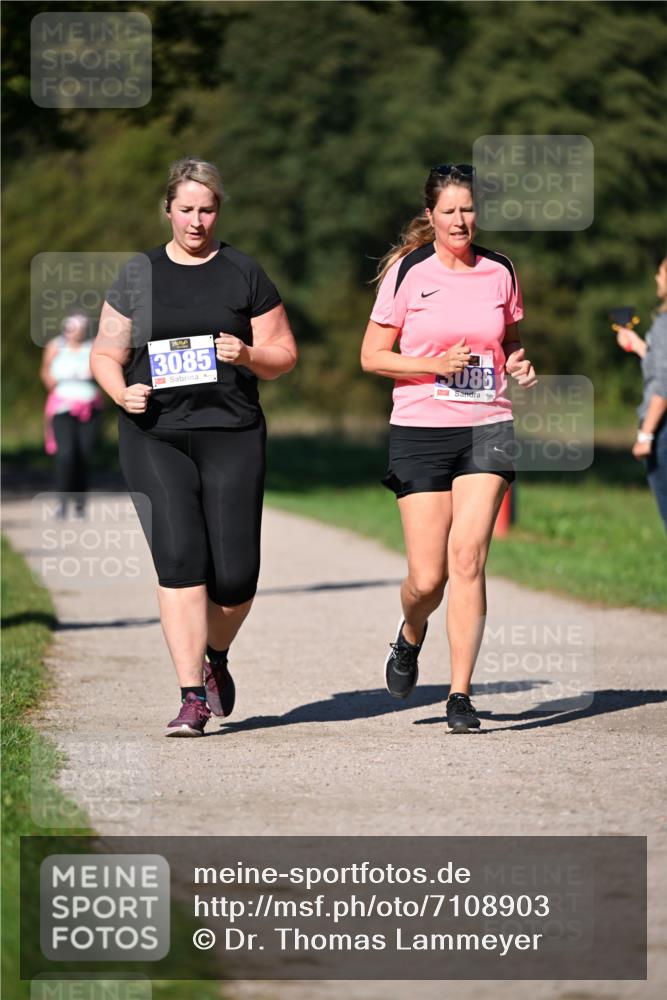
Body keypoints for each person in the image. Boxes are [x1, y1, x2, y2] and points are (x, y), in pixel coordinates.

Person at [91, 157, 297, 737]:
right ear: (168, 210)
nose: (196, 220)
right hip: (155, 433)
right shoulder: (140, 274)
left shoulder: (243, 273)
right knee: (181, 561)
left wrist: (249, 355)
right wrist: (121, 392)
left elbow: (283, 354)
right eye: (186, 209)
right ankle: (190, 696)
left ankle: (216, 658)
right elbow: (105, 354)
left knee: (235, 579)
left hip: (231, 433)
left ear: (218, 212)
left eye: (206, 210)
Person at [361, 163, 537, 733]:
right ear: (431, 215)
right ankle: (410, 635)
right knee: (427, 579)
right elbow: (372, 356)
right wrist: (433, 366)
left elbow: (508, 341)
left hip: (487, 424)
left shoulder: (500, 270)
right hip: (420, 430)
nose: (461, 220)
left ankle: (460, 694)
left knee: (469, 558)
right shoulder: (410, 271)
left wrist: (518, 361)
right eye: (450, 211)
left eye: (468, 210)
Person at [616, 256, 667, 530]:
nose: (657, 279)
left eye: (661, 273)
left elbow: (664, 383)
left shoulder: (664, 324)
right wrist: (638, 346)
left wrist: (646, 435)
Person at [41, 313, 104, 518]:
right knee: (65, 454)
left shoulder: (93, 346)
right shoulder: (56, 345)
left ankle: (80, 500)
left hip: (89, 408)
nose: (73, 332)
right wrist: (54, 385)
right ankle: (61, 500)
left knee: (83, 455)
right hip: (63, 407)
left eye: (77, 328)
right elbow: (46, 371)